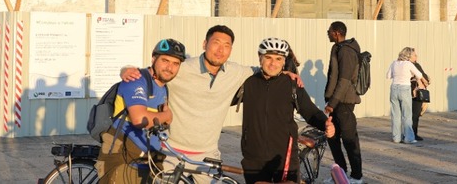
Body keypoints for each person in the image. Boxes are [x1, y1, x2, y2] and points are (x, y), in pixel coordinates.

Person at [122, 25, 301, 183]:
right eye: (216, 43)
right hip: (172, 153)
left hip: (208, 154)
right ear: (204, 44)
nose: (220, 50)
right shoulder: (181, 68)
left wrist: (286, 73)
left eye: (226, 46)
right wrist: (126, 70)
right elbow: (154, 72)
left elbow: (267, 68)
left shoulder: (238, 72)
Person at [235, 38, 335, 184]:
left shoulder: (291, 85)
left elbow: (310, 112)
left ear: (284, 61)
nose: (273, 63)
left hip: (285, 157)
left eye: (278, 59)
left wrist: (325, 124)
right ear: (260, 58)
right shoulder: (248, 83)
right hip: (254, 157)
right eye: (268, 57)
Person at [95, 38, 186, 184]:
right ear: (153, 58)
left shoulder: (163, 87)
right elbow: (139, 119)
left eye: (175, 64)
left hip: (149, 159)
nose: (170, 67)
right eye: (165, 61)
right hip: (124, 158)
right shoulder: (136, 80)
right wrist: (167, 115)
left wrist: (165, 118)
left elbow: (162, 121)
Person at [324, 21, 363, 184]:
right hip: (337, 102)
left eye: (329, 31)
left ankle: (356, 176)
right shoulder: (339, 48)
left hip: (344, 102)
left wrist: (332, 102)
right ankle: (341, 174)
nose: (328, 33)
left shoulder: (346, 51)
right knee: (332, 139)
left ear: (337, 33)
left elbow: (345, 80)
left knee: (349, 139)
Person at [386, 47, 428, 144]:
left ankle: (396, 138)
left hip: (394, 88)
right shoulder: (408, 64)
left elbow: (388, 76)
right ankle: (408, 138)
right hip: (404, 88)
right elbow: (419, 75)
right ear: (408, 55)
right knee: (407, 115)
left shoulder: (394, 63)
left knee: (395, 114)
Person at [410, 50, 431, 141]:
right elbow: (423, 77)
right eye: (415, 55)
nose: (416, 57)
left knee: (406, 114)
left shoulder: (402, 65)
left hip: (406, 91)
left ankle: (404, 133)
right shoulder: (414, 65)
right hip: (416, 92)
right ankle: (413, 133)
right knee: (415, 114)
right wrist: (427, 80)